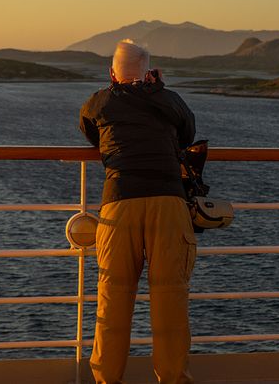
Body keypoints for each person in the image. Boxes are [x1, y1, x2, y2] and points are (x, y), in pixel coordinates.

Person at [79, 39, 197, 384]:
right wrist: (157, 90)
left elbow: (89, 130)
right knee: (170, 303)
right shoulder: (168, 99)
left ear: (111, 72)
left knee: (112, 301)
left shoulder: (100, 101)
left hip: (119, 204)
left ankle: (106, 380)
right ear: (149, 72)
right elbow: (188, 130)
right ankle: (173, 378)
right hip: (168, 202)